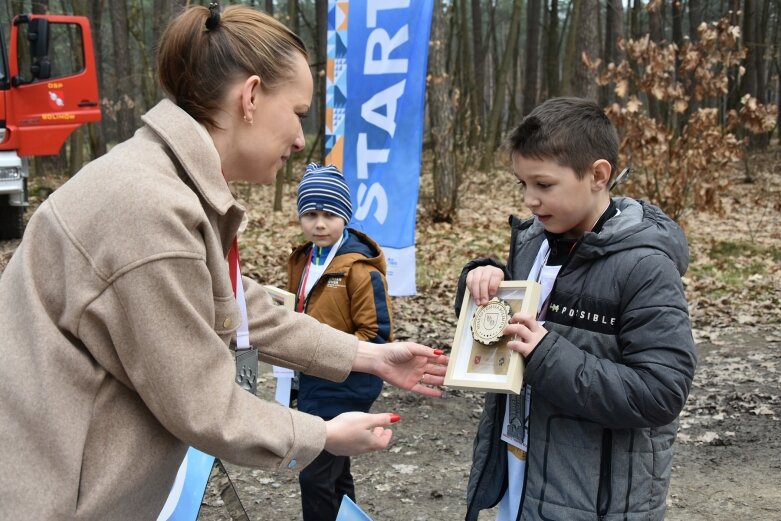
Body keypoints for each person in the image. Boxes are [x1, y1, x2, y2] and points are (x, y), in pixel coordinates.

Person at [0, 5, 447, 520]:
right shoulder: (148, 208)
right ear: (251, 97)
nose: (302, 140)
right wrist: (321, 434)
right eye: (298, 113)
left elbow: (237, 306)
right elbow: (202, 401)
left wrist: (367, 357)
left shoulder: (164, 182)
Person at [457, 97, 697, 521]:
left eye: (544, 185)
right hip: (519, 478)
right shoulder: (534, 240)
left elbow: (662, 392)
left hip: (595, 503)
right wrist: (481, 280)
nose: (530, 200)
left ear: (598, 176)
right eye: (522, 185)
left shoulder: (644, 267)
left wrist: (546, 354)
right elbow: (501, 327)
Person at [287, 163, 394, 520]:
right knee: (334, 474)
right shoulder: (303, 260)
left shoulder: (359, 268)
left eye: (329, 214)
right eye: (310, 214)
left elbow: (376, 334)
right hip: (311, 378)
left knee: (315, 475)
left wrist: (327, 354)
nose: (319, 223)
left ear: (345, 216)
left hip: (344, 383)